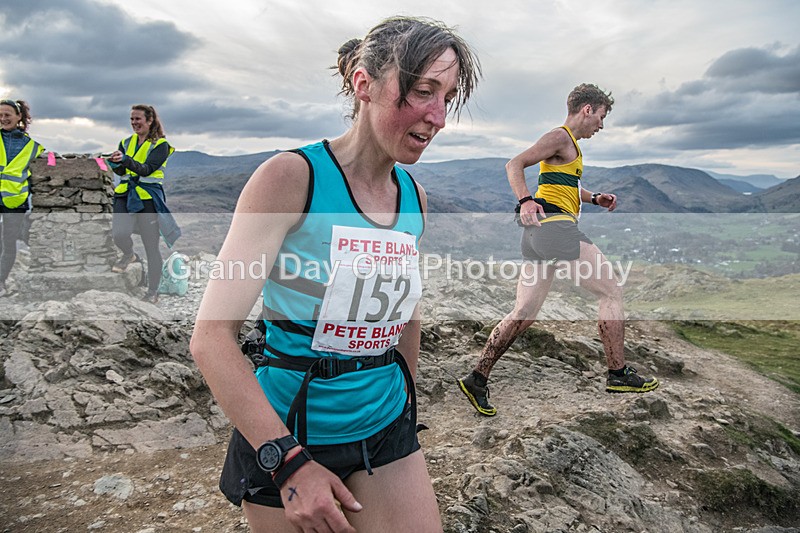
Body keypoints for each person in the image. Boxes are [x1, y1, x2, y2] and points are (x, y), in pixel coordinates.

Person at [190, 16, 479, 533]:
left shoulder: (413, 197)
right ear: (363, 83)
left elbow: (405, 315)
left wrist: (406, 403)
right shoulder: (289, 178)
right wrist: (289, 463)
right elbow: (211, 337)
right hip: (289, 431)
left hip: (385, 424)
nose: (437, 116)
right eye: (421, 90)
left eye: (447, 97)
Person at [458, 83, 658, 417]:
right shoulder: (560, 136)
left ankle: (477, 377)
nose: (602, 126)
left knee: (523, 313)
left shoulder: (571, 149)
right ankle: (618, 373)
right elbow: (515, 163)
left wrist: (594, 198)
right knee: (612, 291)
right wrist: (524, 200)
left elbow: (565, 186)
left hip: (538, 236)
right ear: (588, 109)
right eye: (602, 117)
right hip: (556, 229)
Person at [108, 104, 179, 304]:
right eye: (132, 119)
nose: (134, 123)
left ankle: (152, 291)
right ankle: (129, 254)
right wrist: (116, 163)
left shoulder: (161, 145)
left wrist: (125, 160)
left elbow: (147, 169)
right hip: (125, 194)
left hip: (148, 198)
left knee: (151, 246)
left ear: (150, 120)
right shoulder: (125, 142)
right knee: (119, 234)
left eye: (138, 119)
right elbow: (123, 172)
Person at [0, 99, 44, 297]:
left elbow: (48, 162)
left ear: (19, 117)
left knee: (8, 245)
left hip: (15, 201)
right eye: (0, 115)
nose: (3, 119)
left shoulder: (33, 147)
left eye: (7, 115)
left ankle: (0, 283)